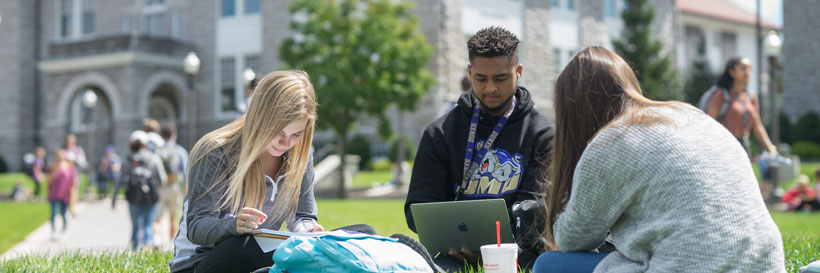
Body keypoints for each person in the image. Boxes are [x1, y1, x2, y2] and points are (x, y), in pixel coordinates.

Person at [534, 46, 785, 273]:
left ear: (572, 112)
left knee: (549, 265)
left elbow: (572, 239)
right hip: (765, 264)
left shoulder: (610, 142)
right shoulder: (688, 113)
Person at [405, 26, 555, 271]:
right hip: (452, 257)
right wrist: (454, 238)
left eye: (501, 78)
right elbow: (418, 209)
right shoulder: (440, 133)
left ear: (518, 72)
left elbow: (535, 213)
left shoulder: (543, 134)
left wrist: (492, 248)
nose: (490, 89)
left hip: (518, 255)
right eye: (481, 78)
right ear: (470, 72)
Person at [169, 71, 325, 273]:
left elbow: (303, 217)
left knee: (362, 233)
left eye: (296, 134)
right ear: (259, 118)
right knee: (244, 246)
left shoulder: (300, 154)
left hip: (259, 258)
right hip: (201, 263)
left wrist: (308, 231)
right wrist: (234, 226)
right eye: (278, 132)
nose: (287, 143)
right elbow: (197, 227)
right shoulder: (216, 150)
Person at [113, 130, 167, 251]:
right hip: (150, 197)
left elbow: (119, 180)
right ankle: (148, 246)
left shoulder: (128, 160)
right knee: (148, 223)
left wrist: (114, 200)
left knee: (135, 226)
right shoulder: (153, 158)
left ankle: (135, 250)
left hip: (133, 197)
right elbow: (163, 178)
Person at [156, 123, 187, 247]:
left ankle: (156, 241)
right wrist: (186, 189)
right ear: (174, 135)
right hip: (174, 186)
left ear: (162, 136)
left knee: (157, 218)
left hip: (160, 187)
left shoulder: (157, 151)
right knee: (173, 216)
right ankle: (171, 244)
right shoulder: (179, 150)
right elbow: (185, 171)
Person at [48, 149, 77, 240]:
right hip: (54, 194)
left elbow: (73, 182)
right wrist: (56, 170)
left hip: (65, 194)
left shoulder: (69, 167)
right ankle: (54, 231)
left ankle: (64, 230)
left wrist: (73, 195)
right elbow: (49, 181)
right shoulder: (52, 167)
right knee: (53, 213)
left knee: (64, 213)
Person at [63, 134, 88, 215]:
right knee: (66, 191)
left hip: (74, 173)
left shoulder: (78, 150)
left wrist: (75, 159)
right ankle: (66, 206)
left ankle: (72, 207)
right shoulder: (64, 150)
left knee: (74, 191)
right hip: (65, 175)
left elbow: (83, 162)